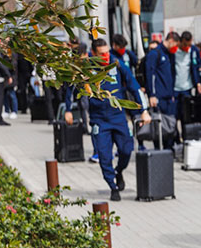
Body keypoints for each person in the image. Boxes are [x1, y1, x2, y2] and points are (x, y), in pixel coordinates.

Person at [65, 38, 151, 201]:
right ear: (93, 53)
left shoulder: (116, 64)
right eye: (102, 54)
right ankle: (113, 186)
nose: (106, 56)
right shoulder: (87, 68)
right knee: (104, 156)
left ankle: (119, 172)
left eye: (107, 52)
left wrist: (144, 110)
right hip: (99, 120)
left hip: (118, 117)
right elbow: (70, 89)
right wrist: (68, 110)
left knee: (126, 150)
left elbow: (134, 87)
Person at [145, 32, 179, 148]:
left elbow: (173, 74)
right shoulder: (155, 54)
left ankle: (169, 150)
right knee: (159, 127)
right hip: (158, 97)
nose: (176, 48)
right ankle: (159, 150)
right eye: (175, 44)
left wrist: (173, 92)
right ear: (170, 41)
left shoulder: (170, 55)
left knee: (170, 126)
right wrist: (152, 94)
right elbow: (151, 75)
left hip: (169, 97)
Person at [173, 31, 201, 129]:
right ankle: (175, 137)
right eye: (184, 44)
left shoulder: (193, 51)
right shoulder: (174, 51)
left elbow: (195, 68)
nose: (186, 47)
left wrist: (198, 84)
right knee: (174, 114)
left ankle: (185, 135)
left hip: (187, 87)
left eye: (188, 44)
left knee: (186, 114)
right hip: (175, 87)